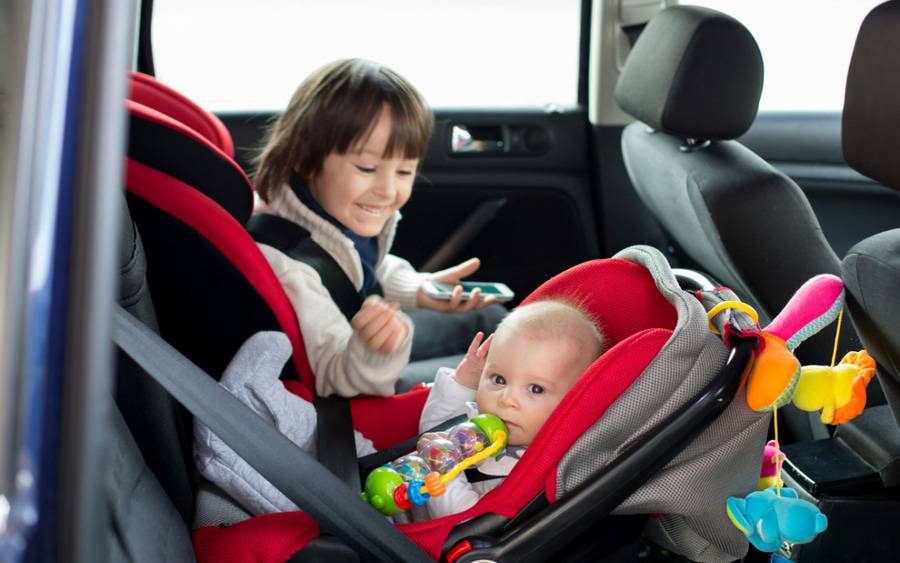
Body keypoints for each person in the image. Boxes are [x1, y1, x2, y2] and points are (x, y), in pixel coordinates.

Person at [252, 58, 504, 399]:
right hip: (359, 384)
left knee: (491, 319)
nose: (387, 190)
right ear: (303, 156)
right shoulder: (291, 267)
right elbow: (332, 377)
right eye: (367, 167)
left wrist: (417, 289)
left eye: (404, 172)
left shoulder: (327, 212)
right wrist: (374, 352)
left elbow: (360, 264)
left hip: (366, 342)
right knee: (504, 371)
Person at [416, 299, 607, 519]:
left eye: (536, 389)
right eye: (498, 379)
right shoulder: (481, 423)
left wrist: (441, 469)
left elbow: (467, 521)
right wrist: (462, 383)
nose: (507, 399)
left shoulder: (537, 473)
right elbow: (432, 431)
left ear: (574, 403)